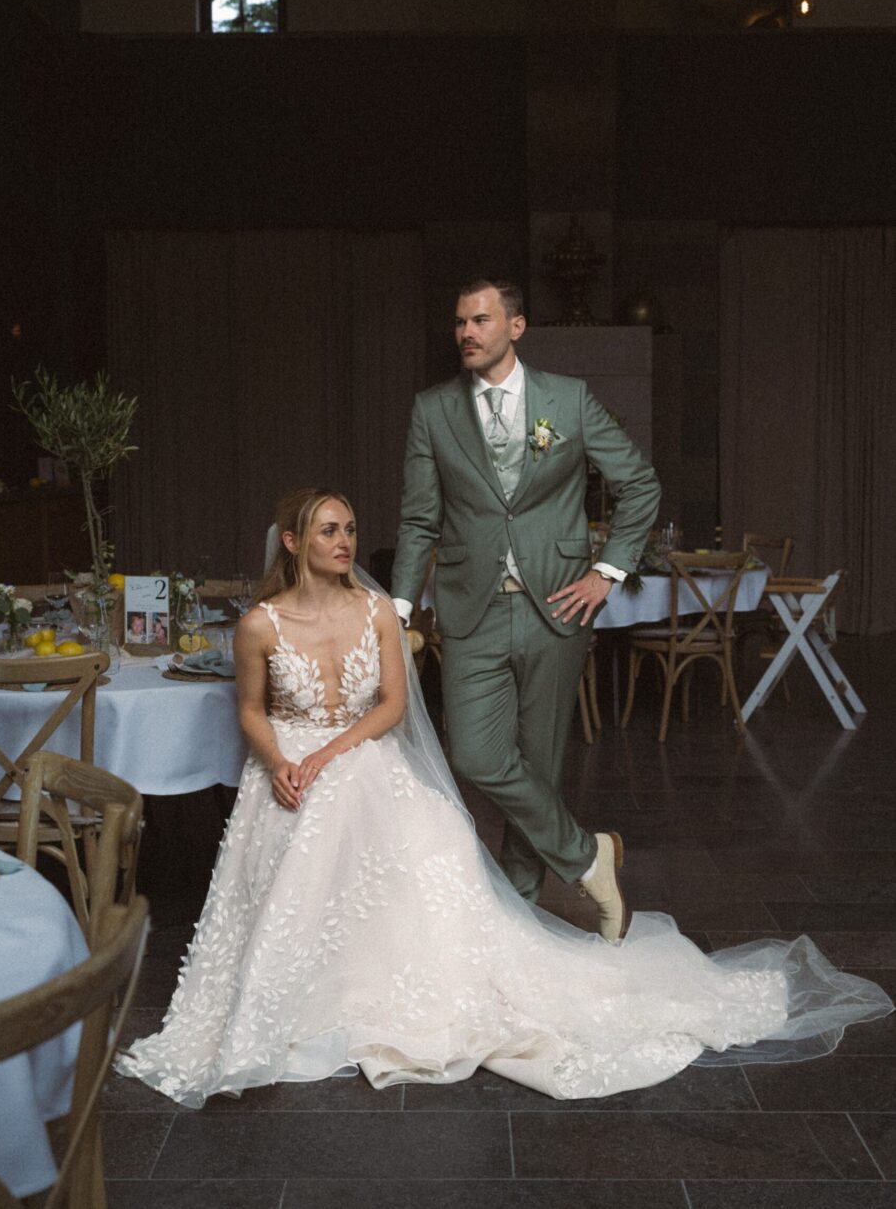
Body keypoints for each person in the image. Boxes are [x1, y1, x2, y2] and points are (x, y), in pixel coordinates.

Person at [115, 486, 890, 1110]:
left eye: (350, 528)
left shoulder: (378, 611)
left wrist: (326, 753)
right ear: (292, 542)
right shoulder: (258, 624)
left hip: (354, 758)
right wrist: (281, 760)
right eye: (327, 531)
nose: (344, 542)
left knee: (425, 846)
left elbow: (390, 704)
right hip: (284, 772)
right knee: (304, 847)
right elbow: (249, 708)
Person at [391, 278, 660, 930]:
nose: (466, 332)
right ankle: (586, 855)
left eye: (480, 319)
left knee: (539, 765)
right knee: (476, 755)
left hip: (558, 607)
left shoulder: (567, 401)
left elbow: (640, 484)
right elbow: (420, 519)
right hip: (470, 608)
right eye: (459, 322)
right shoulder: (433, 410)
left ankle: (517, 920)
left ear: (516, 327)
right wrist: (398, 612)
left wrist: (606, 571)